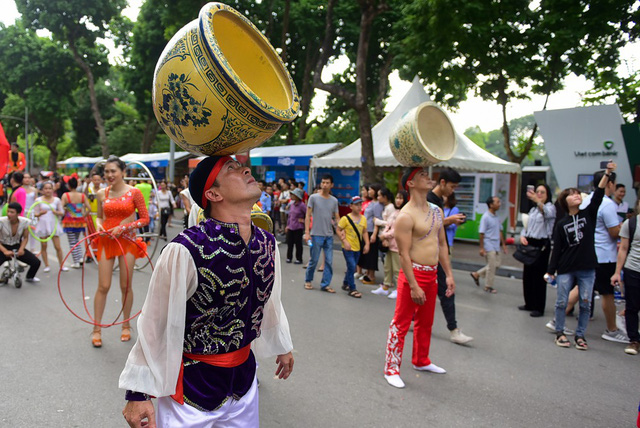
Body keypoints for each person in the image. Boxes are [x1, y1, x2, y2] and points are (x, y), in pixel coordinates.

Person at [120, 155, 293, 427]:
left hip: (244, 382)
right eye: (232, 169)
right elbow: (156, 321)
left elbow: (269, 301)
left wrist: (282, 345)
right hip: (191, 388)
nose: (245, 169)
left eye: (241, 166)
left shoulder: (267, 242)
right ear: (213, 193)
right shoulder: (186, 249)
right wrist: (138, 392)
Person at [383, 168, 455, 389]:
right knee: (401, 323)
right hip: (412, 274)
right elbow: (403, 254)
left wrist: (449, 274)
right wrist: (413, 285)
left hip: (432, 274)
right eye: (422, 174)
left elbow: (441, 244)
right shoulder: (405, 216)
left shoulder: (436, 210)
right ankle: (391, 369)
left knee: (426, 322)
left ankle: (421, 360)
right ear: (411, 184)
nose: (427, 176)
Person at [547, 162, 615, 351]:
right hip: (566, 268)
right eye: (571, 194)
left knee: (585, 303)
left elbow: (599, 193)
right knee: (561, 302)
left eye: (578, 193)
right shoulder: (561, 224)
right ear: (564, 200)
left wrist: (608, 173)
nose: (577, 195)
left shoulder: (589, 214)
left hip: (587, 267)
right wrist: (550, 271)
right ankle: (560, 332)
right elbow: (557, 249)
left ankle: (580, 335)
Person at [91, 156, 149, 348]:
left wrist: (125, 227)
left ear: (123, 172)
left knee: (125, 285)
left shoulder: (134, 192)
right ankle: (96, 329)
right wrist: (99, 226)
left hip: (128, 241)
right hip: (107, 240)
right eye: (106, 172)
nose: (109, 175)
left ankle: (126, 325)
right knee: (103, 286)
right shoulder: (101, 193)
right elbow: (99, 217)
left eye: (113, 171)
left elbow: (145, 219)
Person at [579, 169, 629, 343]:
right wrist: (624, 227)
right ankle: (612, 329)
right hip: (604, 255)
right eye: (615, 185)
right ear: (609, 183)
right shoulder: (607, 204)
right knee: (607, 293)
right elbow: (614, 232)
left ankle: (558, 320)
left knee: (580, 287)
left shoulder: (586, 201)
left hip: (589, 252)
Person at [428, 168, 473, 345]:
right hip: (429, 252)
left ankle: (453, 329)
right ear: (443, 182)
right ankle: (453, 331)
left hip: (439, 250)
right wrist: (450, 220)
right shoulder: (429, 200)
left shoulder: (438, 200)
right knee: (441, 290)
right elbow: (430, 224)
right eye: (452, 186)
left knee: (444, 289)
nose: (453, 190)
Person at [518, 184, 556, 317]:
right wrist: (523, 235)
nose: (539, 194)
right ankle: (529, 303)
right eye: (537, 192)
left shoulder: (550, 207)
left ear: (547, 195)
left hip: (542, 244)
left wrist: (537, 201)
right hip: (530, 242)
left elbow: (547, 213)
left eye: (542, 192)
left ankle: (539, 307)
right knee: (527, 275)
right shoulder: (533, 209)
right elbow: (527, 225)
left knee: (539, 277)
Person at [610, 199, 640, 355]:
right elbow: (623, 249)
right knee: (632, 307)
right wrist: (617, 272)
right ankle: (634, 340)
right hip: (633, 270)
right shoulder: (631, 223)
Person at [304, 174, 340, 293]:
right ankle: (308, 280)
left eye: (327, 183)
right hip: (316, 234)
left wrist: (341, 231)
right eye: (323, 182)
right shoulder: (313, 198)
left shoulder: (334, 200)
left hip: (329, 235)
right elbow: (308, 215)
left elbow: (337, 218)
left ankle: (325, 284)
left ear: (331, 185)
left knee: (329, 261)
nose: (324, 185)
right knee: (314, 260)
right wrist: (307, 232)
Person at [374, 190, 409, 299]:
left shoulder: (406, 213)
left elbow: (397, 230)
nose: (398, 200)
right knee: (387, 267)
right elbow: (388, 225)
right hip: (388, 244)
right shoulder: (395, 212)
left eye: (401, 198)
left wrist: (385, 236)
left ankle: (399, 290)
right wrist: (384, 236)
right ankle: (385, 286)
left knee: (397, 269)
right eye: (397, 198)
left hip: (397, 246)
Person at [470, 196, 507, 294]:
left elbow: (500, 231)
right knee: (491, 266)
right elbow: (481, 233)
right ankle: (488, 286)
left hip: (496, 245)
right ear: (491, 205)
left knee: (496, 264)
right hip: (489, 244)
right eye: (497, 202)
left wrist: (503, 245)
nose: (499, 204)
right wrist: (481, 248)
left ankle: (477, 274)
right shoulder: (485, 217)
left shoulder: (496, 217)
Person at [337, 196, 369, 298]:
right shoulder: (345, 219)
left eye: (360, 204)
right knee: (352, 266)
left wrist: (367, 244)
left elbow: (364, 232)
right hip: (347, 247)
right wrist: (344, 241)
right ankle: (352, 288)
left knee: (352, 266)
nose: (359, 207)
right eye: (356, 205)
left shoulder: (363, 219)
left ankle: (345, 283)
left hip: (357, 247)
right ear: (351, 206)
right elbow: (338, 229)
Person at [0, 202, 41, 283]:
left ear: (18, 214)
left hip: (16, 246)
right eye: (8, 211)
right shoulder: (1, 222)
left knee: (36, 262)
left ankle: (30, 277)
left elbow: (25, 238)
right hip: (2, 246)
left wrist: (21, 249)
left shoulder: (25, 222)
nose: (9, 214)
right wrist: (5, 251)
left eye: (12, 212)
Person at [34, 182, 66, 273]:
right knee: (44, 246)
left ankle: (61, 265)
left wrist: (56, 212)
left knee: (58, 246)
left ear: (52, 189)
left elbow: (62, 212)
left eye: (49, 188)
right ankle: (47, 265)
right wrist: (40, 213)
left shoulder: (56, 200)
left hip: (53, 224)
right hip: (43, 224)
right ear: (43, 190)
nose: (48, 190)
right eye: (46, 188)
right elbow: (35, 214)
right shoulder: (38, 200)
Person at [371, 187, 397, 296]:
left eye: (380, 195)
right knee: (386, 263)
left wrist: (377, 221)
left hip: (391, 240)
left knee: (395, 266)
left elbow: (389, 223)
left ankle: (396, 287)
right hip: (385, 237)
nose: (378, 198)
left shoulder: (391, 208)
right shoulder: (386, 207)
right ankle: (386, 285)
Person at [61, 177, 91, 269]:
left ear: (69, 186)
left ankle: (76, 261)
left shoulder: (65, 195)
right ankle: (80, 258)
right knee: (77, 241)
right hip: (80, 220)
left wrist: (66, 210)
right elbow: (89, 208)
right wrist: (83, 215)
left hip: (69, 221)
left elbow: (61, 208)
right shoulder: (82, 196)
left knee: (72, 242)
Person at [358, 184, 383, 284]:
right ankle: (367, 273)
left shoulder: (377, 204)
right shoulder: (371, 202)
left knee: (372, 253)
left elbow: (377, 219)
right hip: (366, 230)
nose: (368, 191)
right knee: (367, 253)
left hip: (372, 231)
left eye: (370, 190)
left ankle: (371, 275)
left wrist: (374, 234)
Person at [285, 188, 306, 264]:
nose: (292, 196)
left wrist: (303, 220)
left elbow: (308, 215)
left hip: (298, 227)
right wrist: (287, 225)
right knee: (289, 243)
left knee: (298, 244)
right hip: (291, 226)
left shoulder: (302, 205)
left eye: (293, 194)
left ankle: (299, 258)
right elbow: (290, 216)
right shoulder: (292, 204)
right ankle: (289, 257)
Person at [22, 172, 38, 253]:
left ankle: (32, 248)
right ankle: (22, 248)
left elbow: (36, 202)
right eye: (25, 177)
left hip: (32, 212)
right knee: (22, 231)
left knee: (33, 231)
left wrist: (37, 212)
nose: (27, 179)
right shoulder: (20, 189)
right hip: (23, 212)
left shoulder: (34, 190)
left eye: (28, 177)